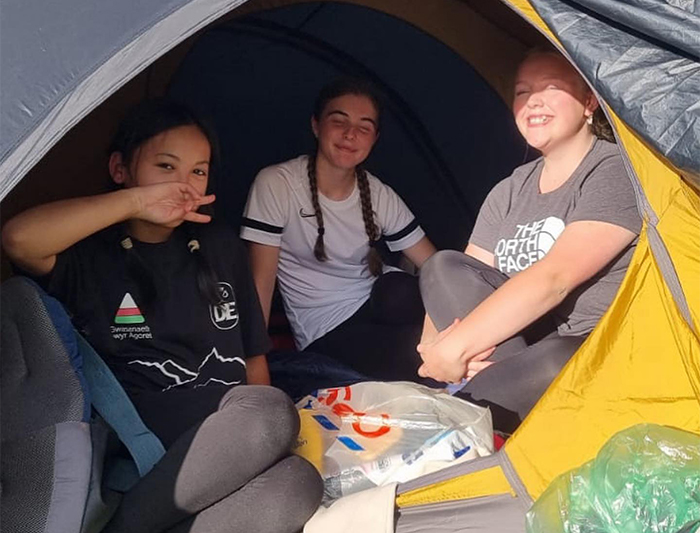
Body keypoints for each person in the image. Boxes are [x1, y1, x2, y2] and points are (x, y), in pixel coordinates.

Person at [2, 100, 322, 533]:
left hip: (230, 442)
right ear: (120, 169)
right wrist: (136, 202)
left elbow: (252, 356)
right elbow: (19, 239)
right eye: (166, 167)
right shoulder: (91, 253)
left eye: (198, 171)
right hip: (149, 444)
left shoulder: (219, 243)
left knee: (297, 484)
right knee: (270, 413)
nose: (183, 185)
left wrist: (265, 450)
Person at [417, 49, 642, 431]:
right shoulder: (510, 189)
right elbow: (461, 277)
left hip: (589, 348)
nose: (533, 101)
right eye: (523, 92)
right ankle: (479, 401)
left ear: (589, 102)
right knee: (442, 265)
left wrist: (458, 348)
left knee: (557, 363)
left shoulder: (616, 170)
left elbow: (556, 278)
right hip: (513, 349)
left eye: (551, 87)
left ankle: (460, 408)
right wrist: (433, 349)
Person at [241, 77, 436, 381]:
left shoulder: (378, 193)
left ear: (374, 138)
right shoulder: (277, 184)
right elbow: (261, 283)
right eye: (339, 121)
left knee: (404, 293)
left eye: (364, 127)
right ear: (316, 126)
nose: (350, 134)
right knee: (419, 354)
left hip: (377, 299)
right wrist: (254, 363)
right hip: (326, 324)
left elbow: (435, 265)